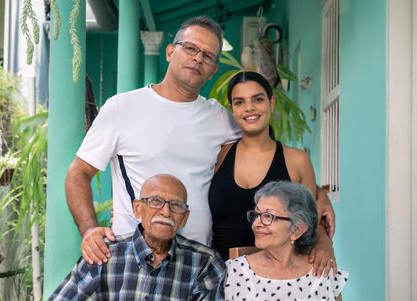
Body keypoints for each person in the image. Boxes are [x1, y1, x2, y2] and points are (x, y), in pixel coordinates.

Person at [69, 16, 335, 266]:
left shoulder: (220, 118)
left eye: (207, 56)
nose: (198, 58)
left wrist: (319, 197)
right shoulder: (122, 108)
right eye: (190, 48)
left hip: (200, 262)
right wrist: (90, 228)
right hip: (136, 256)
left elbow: (267, 154)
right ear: (171, 52)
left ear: (213, 70)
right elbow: (78, 173)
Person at [35, 174, 225, 301]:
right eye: (155, 201)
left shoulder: (204, 262)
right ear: (137, 208)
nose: (166, 212)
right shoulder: (103, 253)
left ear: (184, 217)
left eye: (176, 205)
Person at [209, 71, 335, 275]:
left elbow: (309, 219)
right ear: (232, 109)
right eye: (239, 102)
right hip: (219, 275)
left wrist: (324, 241)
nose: (249, 108)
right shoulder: (218, 155)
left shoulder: (297, 160)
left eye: (257, 99)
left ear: (271, 103)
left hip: (279, 278)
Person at [223, 181, 348, 301]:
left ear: (297, 230)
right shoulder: (235, 271)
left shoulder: (323, 269)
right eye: (257, 214)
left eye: (268, 216)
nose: (255, 224)